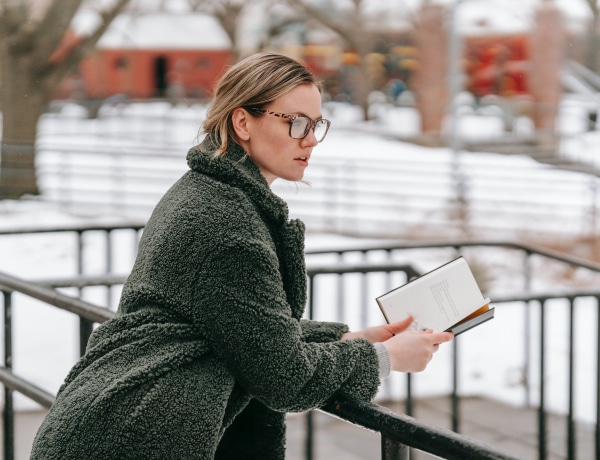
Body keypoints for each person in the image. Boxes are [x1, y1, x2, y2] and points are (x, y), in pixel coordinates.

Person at [30, 52, 453, 460]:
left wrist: (345, 341)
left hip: (116, 420)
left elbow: (234, 325)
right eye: (296, 122)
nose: (310, 139)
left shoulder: (207, 193)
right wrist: (386, 358)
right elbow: (285, 378)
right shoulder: (226, 224)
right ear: (242, 122)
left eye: (317, 124)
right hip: (130, 436)